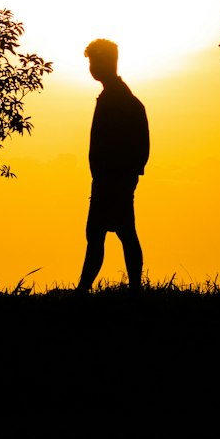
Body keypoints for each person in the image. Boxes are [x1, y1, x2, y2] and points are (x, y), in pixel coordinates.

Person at [77, 39, 149, 294]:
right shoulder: (117, 98)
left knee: (109, 234)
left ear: (107, 62)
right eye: (90, 62)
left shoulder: (121, 101)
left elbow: (140, 147)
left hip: (113, 180)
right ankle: (129, 290)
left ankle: (87, 292)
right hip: (110, 179)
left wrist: (122, 177)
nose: (92, 67)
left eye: (94, 61)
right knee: (111, 233)